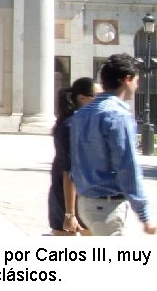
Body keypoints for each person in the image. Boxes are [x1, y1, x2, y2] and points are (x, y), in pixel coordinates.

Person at [70, 53, 157, 236]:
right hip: (108, 206)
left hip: (86, 202)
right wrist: (144, 215)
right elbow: (127, 166)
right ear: (127, 79)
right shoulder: (118, 115)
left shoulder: (81, 114)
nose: (137, 85)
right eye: (137, 80)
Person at [48, 77, 96, 236]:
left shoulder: (73, 121)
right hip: (71, 197)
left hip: (74, 195)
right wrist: (70, 213)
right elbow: (70, 171)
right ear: (82, 99)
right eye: (97, 97)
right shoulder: (73, 125)